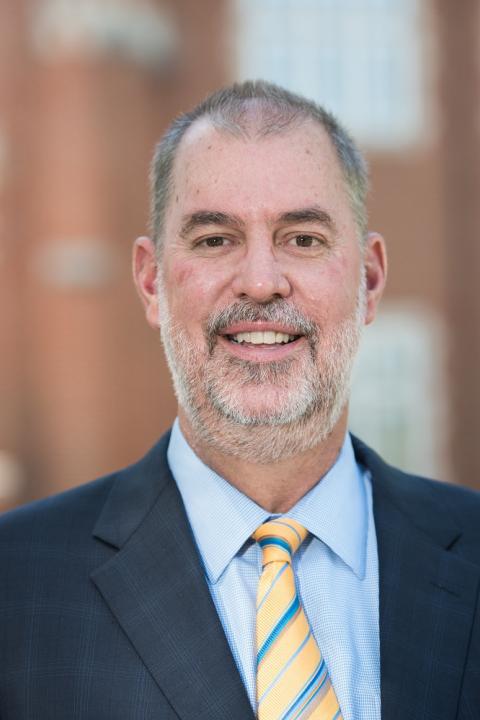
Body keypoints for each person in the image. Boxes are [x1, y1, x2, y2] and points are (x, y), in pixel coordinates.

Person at [0, 81, 479, 720]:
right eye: (214, 239)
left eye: (303, 238)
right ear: (151, 281)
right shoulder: (15, 586)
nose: (259, 281)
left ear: (368, 280)